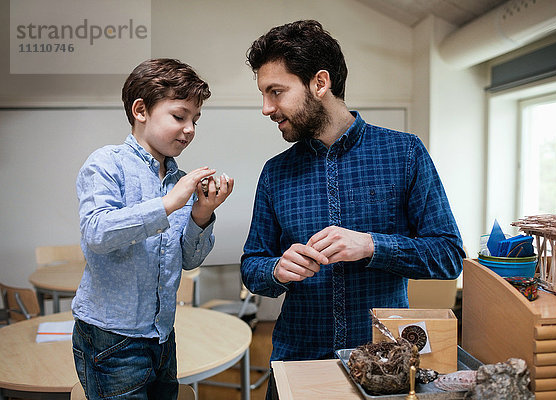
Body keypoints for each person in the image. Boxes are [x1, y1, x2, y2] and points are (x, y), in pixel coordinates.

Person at [241, 19, 464, 372]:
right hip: (298, 359)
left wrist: (373, 246)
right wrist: (277, 269)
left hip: (383, 362)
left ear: (319, 83)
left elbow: (449, 255)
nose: (266, 108)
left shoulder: (404, 153)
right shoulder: (275, 172)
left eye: (276, 92)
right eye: (264, 95)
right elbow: (252, 266)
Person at [71, 58, 233, 399]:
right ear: (141, 110)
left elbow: (189, 260)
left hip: (161, 335)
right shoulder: (106, 163)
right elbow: (97, 233)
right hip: (112, 337)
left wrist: (201, 215)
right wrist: (169, 204)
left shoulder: (178, 180)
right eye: (179, 116)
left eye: (195, 120)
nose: (190, 129)